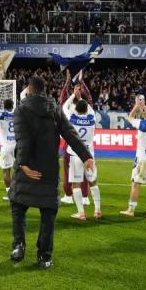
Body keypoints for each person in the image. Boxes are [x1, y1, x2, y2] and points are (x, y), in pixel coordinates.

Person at [9, 76, 93, 269]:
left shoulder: (21, 108)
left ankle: (19, 245)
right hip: (48, 169)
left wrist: (22, 163)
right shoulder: (55, 108)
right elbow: (69, 132)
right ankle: (44, 256)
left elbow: (23, 139)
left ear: (30, 89)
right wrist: (85, 155)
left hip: (28, 168)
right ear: (44, 90)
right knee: (48, 212)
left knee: (17, 205)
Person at [62, 87, 101, 220]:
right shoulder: (92, 118)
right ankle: (97, 210)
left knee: (76, 184)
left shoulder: (72, 118)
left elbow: (64, 107)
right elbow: (89, 108)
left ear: (76, 109)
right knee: (93, 182)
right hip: (89, 155)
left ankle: (81, 213)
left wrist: (73, 95)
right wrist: (80, 98)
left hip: (75, 154)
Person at [59, 72, 91, 206]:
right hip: (86, 147)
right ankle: (85, 197)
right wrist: (81, 82)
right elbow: (89, 99)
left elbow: (62, 101)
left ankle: (68, 195)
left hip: (70, 145)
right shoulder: (90, 114)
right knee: (85, 171)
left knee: (68, 171)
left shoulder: (71, 114)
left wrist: (68, 82)